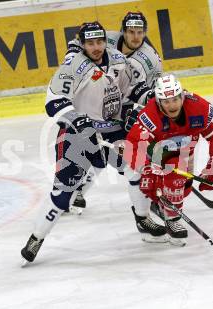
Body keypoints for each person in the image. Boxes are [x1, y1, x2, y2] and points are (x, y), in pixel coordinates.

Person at [21, 21, 166, 264]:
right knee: (63, 193)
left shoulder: (118, 60)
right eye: (90, 43)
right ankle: (37, 237)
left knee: (138, 167)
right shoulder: (73, 66)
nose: (97, 47)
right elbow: (54, 100)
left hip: (111, 131)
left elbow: (129, 90)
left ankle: (142, 219)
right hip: (77, 136)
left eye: (99, 42)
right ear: (82, 44)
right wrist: (79, 122)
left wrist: (142, 101)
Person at [66, 11, 163, 210]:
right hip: (102, 98)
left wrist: (135, 111)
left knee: (128, 150)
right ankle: (76, 192)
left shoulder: (149, 59)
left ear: (145, 33)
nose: (135, 37)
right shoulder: (107, 38)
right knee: (99, 148)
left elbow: (145, 92)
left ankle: (151, 191)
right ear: (123, 31)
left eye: (140, 32)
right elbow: (76, 44)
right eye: (130, 31)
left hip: (129, 102)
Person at [123, 74, 213, 246]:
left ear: (182, 96)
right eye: (166, 102)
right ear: (159, 102)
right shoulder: (150, 115)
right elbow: (132, 147)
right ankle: (147, 218)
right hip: (154, 150)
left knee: (183, 185)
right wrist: (146, 169)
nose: (172, 105)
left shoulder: (198, 107)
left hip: (183, 149)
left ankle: (166, 209)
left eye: (175, 99)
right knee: (149, 180)